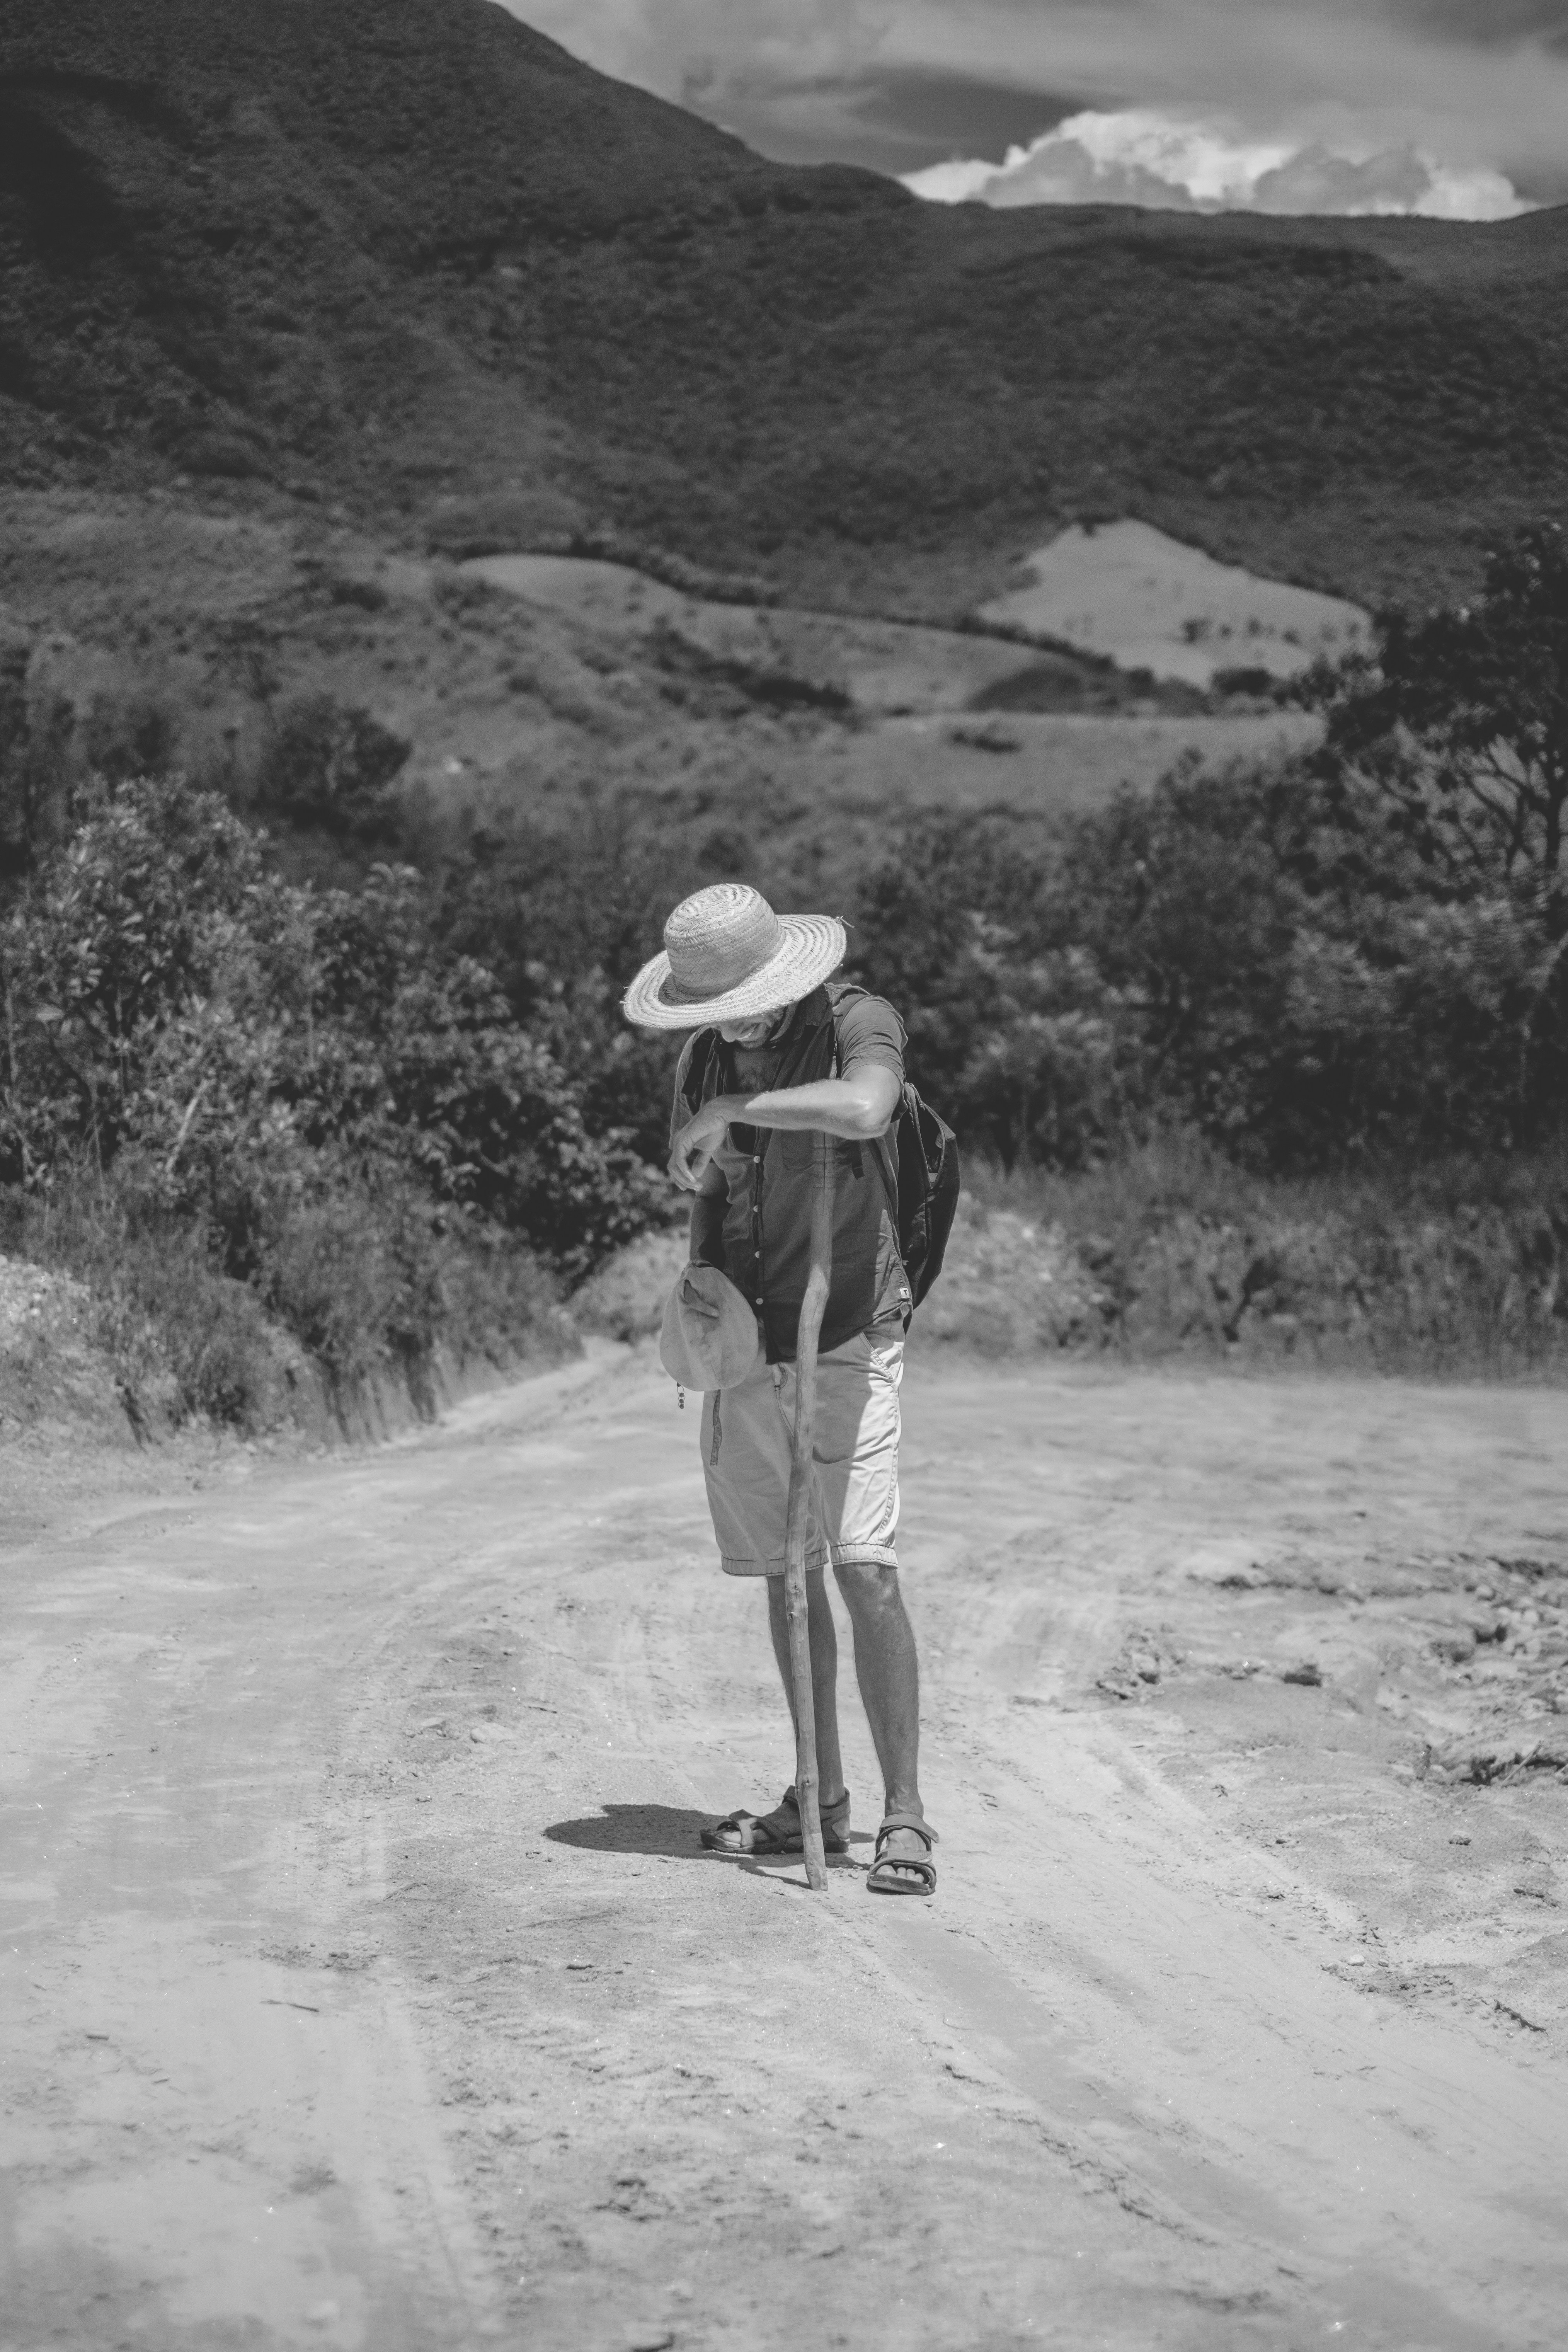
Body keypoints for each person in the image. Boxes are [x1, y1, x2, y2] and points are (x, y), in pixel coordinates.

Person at [623, 882, 936, 1896]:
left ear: (784, 979)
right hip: (755, 1340)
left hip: (849, 1327)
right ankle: (818, 1796)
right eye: (712, 1016)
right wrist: (702, 1278)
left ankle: (904, 1820)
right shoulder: (707, 1056)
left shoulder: (857, 1023)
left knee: (860, 1567)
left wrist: (733, 1109)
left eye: (744, 1006)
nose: (733, 1031)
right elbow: (707, 1189)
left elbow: (866, 1108)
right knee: (784, 1573)